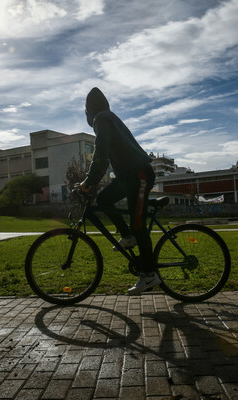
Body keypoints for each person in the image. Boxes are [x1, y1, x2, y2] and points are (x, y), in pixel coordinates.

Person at [80, 87, 160, 295]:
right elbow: (105, 154)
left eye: (85, 110)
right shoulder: (108, 116)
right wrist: (93, 181)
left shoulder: (101, 119)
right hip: (128, 176)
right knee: (104, 199)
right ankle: (127, 236)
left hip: (139, 174)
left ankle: (149, 274)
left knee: (137, 223)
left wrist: (90, 180)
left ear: (89, 109)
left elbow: (101, 152)